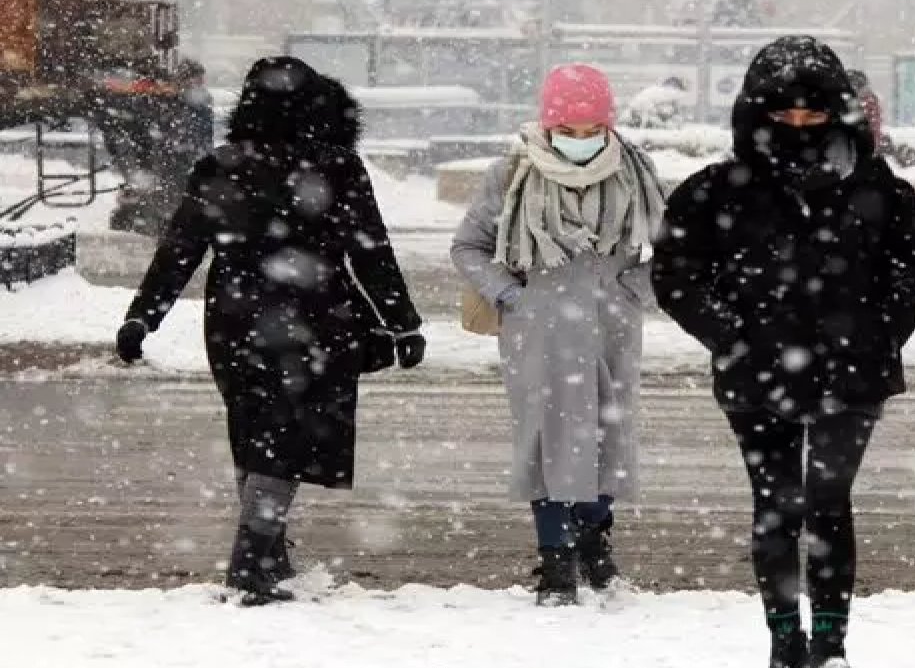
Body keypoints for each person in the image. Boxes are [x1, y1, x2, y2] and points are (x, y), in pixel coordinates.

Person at [652, 36, 915, 668]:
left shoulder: (882, 192)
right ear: (757, 114)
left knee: (829, 501)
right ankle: (786, 645)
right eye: (785, 116)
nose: (801, 127)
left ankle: (831, 647)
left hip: (853, 376)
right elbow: (675, 273)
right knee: (778, 506)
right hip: (756, 377)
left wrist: (876, 333)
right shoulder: (714, 192)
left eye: (815, 115)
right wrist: (731, 335)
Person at [114, 56, 425, 606]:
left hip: (234, 319)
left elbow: (181, 248)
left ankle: (267, 552)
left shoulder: (222, 165)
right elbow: (371, 252)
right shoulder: (338, 167)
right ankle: (254, 558)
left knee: (256, 435)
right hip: (317, 319)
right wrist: (401, 323)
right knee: (283, 442)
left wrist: (144, 315)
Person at [450, 63, 665, 606]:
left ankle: (594, 538)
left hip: (611, 328)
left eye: (590, 131)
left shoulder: (634, 170)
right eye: (566, 133)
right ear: (548, 127)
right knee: (547, 443)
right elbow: (468, 246)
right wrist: (511, 296)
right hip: (538, 330)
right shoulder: (513, 173)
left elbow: (679, 252)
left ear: (607, 125)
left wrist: (633, 290)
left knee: (605, 440)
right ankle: (556, 559)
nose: (579, 142)